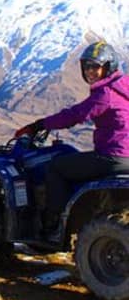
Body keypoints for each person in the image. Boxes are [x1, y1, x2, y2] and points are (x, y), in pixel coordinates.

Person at [15, 41, 129, 240]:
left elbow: (75, 115)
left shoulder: (105, 94)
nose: (90, 71)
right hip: (125, 157)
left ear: (108, 66)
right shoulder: (123, 88)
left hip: (113, 157)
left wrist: (40, 125)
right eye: (86, 66)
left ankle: (53, 225)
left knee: (56, 167)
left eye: (95, 66)